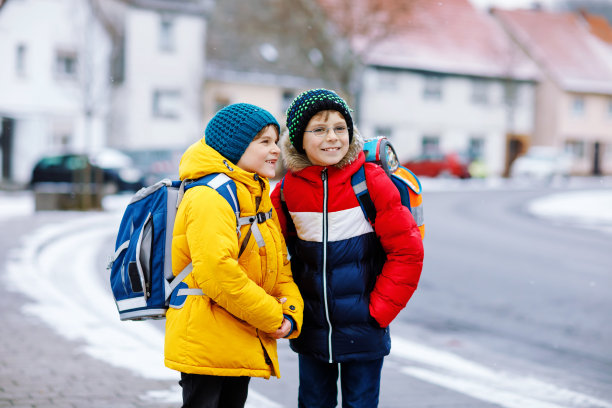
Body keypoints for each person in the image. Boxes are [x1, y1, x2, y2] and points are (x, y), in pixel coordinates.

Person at [270, 89, 424, 408]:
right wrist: (289, 308)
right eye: (320, 129)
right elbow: (273, 257)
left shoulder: (370, 181)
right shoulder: (288, 191)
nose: (333, 138)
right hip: (312, 329)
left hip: (365, 328)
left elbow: (407, 252)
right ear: (299, 138)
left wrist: (379, 311)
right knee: (313, 403)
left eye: (341, 128)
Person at [165, 103, 303, 408]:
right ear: (235, 146)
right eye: (264, 141)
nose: (276, 150)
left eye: (276, 141)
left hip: (238, 335)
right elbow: (218, 274)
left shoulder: (255, 195)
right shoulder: (209, 197)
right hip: (208, 340)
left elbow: (280, 270)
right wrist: (271, 315)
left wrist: (291, 313)